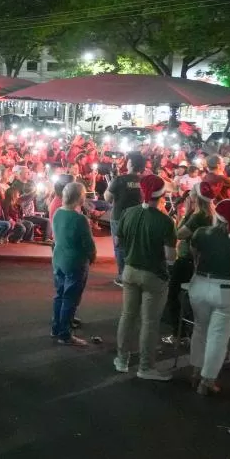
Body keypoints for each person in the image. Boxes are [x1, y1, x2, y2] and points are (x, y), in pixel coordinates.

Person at [187, 199, 230, 395]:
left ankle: (195, 371)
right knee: (218, 337)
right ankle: (207, 381)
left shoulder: (201, 233)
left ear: (216, 216)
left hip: (200, 285)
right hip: (228, 290)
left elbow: (195, 256)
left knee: (200, 329)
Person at [114, 174, 176, 381]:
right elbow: (170, 257)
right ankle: (145, 367)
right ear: (162, 195)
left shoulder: (128, 213)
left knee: (127, 315)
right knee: (149, 322)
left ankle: (121, 359)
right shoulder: (166, 221)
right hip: (153, 275)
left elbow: (118, 242)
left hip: (130, 270)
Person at [164, 181, 214, 341]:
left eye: (192, 190)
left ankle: (179, 334)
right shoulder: (209, 215)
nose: (188, 192)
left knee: (173, 295)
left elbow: (180, 233)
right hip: (201, 262)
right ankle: (192, 332)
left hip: (187, 261)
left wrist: (183, 214)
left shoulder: (197, 217)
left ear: (196, 196)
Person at [50, 182, 96, 346]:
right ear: (80, 198)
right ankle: (65, 334)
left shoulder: (57, 213)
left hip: (59, 259)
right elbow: (88, 244)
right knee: (70, 298)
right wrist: (92, 256)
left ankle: (56, 328)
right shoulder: (80, 219)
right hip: (75, 261)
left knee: (60, 295)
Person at [105, 152, 145, 286]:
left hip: (119, 217)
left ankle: (123, 275)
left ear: (131, 163)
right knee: (135, 244)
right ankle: (134, 272)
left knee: (119, 246)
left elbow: (107, 198)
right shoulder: (144, 180)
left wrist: (111, 183)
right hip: (137, 216)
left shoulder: (120, 180)